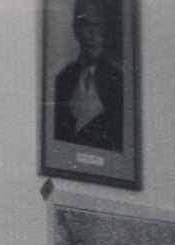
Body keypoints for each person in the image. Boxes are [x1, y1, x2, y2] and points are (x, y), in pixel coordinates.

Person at [52, 0, 125, 151]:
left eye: (97, 26)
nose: (92, 35)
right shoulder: (63, 79)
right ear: (76, 30)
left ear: (105, 30)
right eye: (86, 25)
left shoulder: (119, 81)